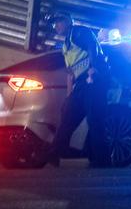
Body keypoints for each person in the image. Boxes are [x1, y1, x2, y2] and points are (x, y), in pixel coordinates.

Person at [47, 11, 111, 166]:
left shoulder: (79, 32)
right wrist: (69, 96)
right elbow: (70, 73)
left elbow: (93, 47)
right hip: (81, 84)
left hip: (93, 80)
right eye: (54, 23)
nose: (56, 25)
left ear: (69, 20)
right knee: (68, 116)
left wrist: (94, 68)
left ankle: (101, 160)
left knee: (95, 119)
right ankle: (55, 153)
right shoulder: (65, 46)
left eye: (59, 21)